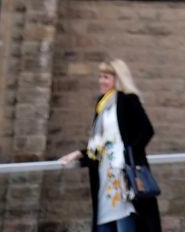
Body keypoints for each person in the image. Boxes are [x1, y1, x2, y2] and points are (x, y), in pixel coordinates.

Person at [59, 57, 161, 232]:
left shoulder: (128, 100)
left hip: (123, 178)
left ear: (117, 78)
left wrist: (129, 155)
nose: (101, 81)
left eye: (106, 77)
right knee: (103, 225)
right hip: (104, 177)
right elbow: (102, 143)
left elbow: (146, 130)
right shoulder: (102, 104)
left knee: (125, 224)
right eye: (100, 76)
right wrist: (79, 153)